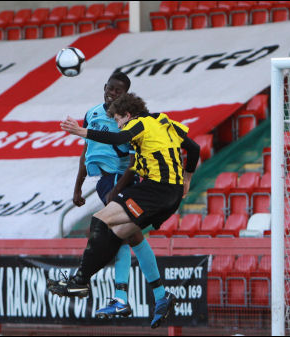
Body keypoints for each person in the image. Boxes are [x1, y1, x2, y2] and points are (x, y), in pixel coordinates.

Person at [52, 93, 200, 329]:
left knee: (100, 220)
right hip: (167, 195)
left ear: (127, 115)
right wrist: (188, 177)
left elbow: (120, 136)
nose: (119, 124)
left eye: (119, 119)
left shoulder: (139, 123)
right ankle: (161, 297)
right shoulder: (164, 121)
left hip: (155, 191)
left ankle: (80, 281)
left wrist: (82, 131)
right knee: (117, 233)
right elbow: (194, 148)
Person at [67, 71, 140, 318]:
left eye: (118, 91)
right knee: (127, 235)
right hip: (103, 181)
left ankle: (110, 292)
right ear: (105, 86)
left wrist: (117, 191)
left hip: (119, 179)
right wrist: (78, 186)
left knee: (119, 233)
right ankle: (130, 296)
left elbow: (134, 161)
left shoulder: (129, 119)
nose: (112, 93)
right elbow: (86, 151)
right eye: (110, 88)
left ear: (126, 95)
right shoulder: (92, 113)